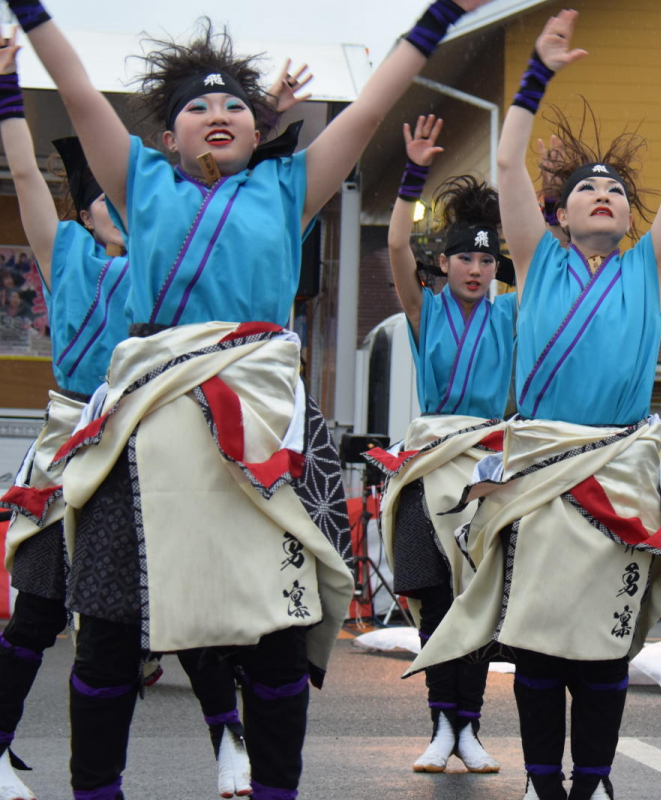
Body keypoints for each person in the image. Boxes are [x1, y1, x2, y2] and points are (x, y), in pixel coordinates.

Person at [8, 0, 492, 796]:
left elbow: (371, 104)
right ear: (167, 137)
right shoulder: (141, 181)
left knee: (274, 641)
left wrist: (437, 16)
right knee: (109, 634)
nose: (217, 114)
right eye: (196, 107)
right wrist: (30, 12)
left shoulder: (287, 187)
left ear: (256, 126)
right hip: (146, 430)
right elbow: (78, 90)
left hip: (263, 429)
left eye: (234, 102)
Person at [0, 32, 322, 798]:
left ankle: (231, 748)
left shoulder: (193, 229)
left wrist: (259, 116)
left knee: (217, 618)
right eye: (102, 197)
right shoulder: (69, 257)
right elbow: (24, 173)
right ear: (91, 205)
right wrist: (10, 92)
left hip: (204, 426)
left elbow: (240, 184)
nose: (117, 204)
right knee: (61, 616)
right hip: (84, 442)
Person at [407, 9, 661, 800]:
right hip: (540, 469)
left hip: (618, 471)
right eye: (587, 189)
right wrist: (536, 75)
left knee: (604, 652)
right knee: (538, 654)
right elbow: (507, 164)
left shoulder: (651, 266)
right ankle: (547, 787)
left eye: (615, 190)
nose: (603, 195)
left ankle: (596, 784)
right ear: (562, 213)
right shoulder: (534, 261)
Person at [366, 114, 515, 775]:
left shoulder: (511, 315)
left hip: (487, 460)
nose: (476, 269)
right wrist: (412, 175)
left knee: (478, 598)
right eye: (465, 258)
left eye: (487, 259)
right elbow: (398, 247)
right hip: (430, 458)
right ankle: (441, 725)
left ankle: (472, 728)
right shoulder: (424, 311)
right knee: (434, 596)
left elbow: (542, 265)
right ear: (445, 264)